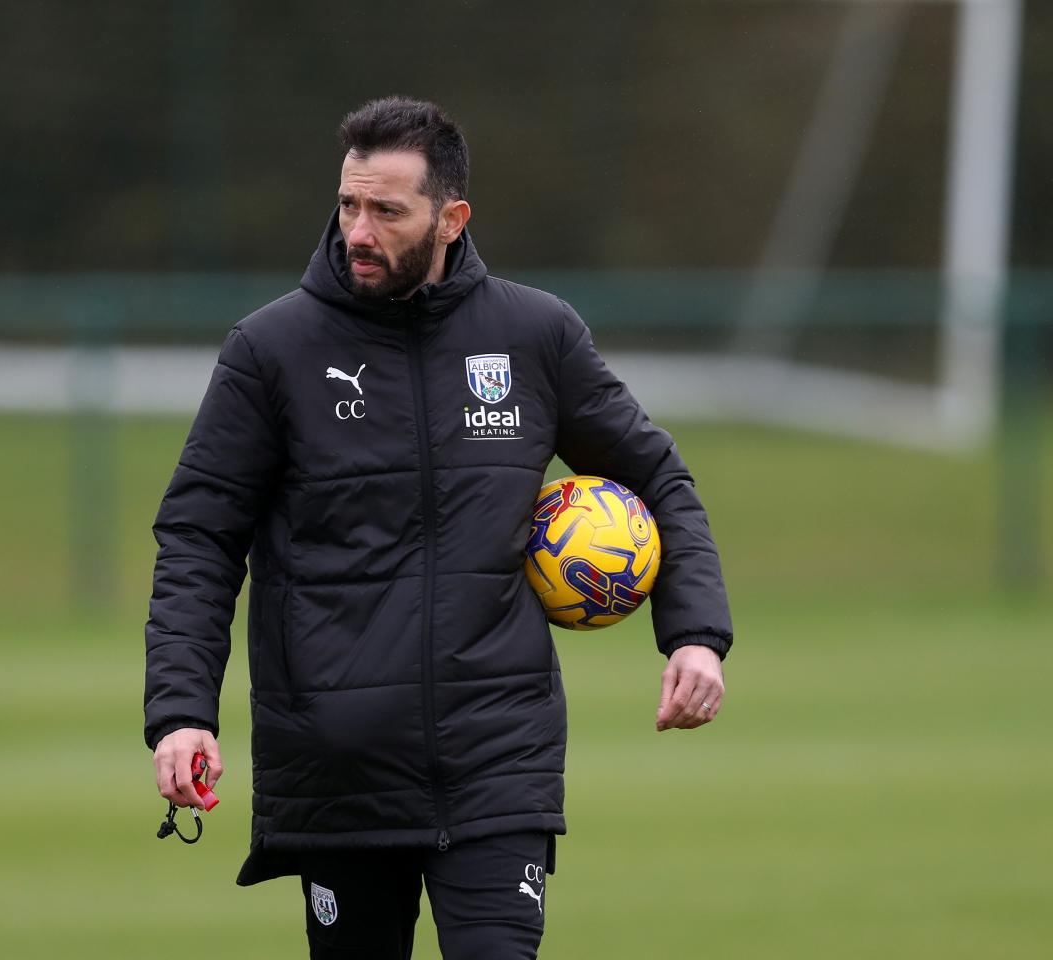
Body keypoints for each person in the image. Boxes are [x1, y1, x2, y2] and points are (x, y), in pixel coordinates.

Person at [144, 96, 733, 960]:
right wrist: (181, 714)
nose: (358, 231)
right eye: (348, 205)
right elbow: (199, 539)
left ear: (452, 219)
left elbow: (658, 478)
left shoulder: (534, 336)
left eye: (387, 211)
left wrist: (695, 635)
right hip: (338, 767)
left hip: (497, 759)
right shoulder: (272, 350)